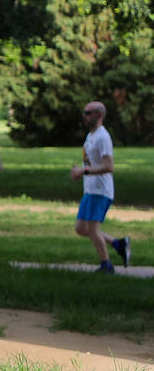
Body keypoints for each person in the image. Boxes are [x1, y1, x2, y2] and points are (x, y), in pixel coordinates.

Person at [71, 101, 130, 272]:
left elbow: (109, 166)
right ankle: (118, 244)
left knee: (92, 229)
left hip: (101, 191)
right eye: (85, 112)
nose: (85, 116)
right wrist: (80, 171)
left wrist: (84, 171)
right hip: (90, 190)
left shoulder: (103, 137)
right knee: (81, 228)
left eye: (89, 113)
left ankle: (107, 266)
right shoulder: (91, 135)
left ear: (99, 115)